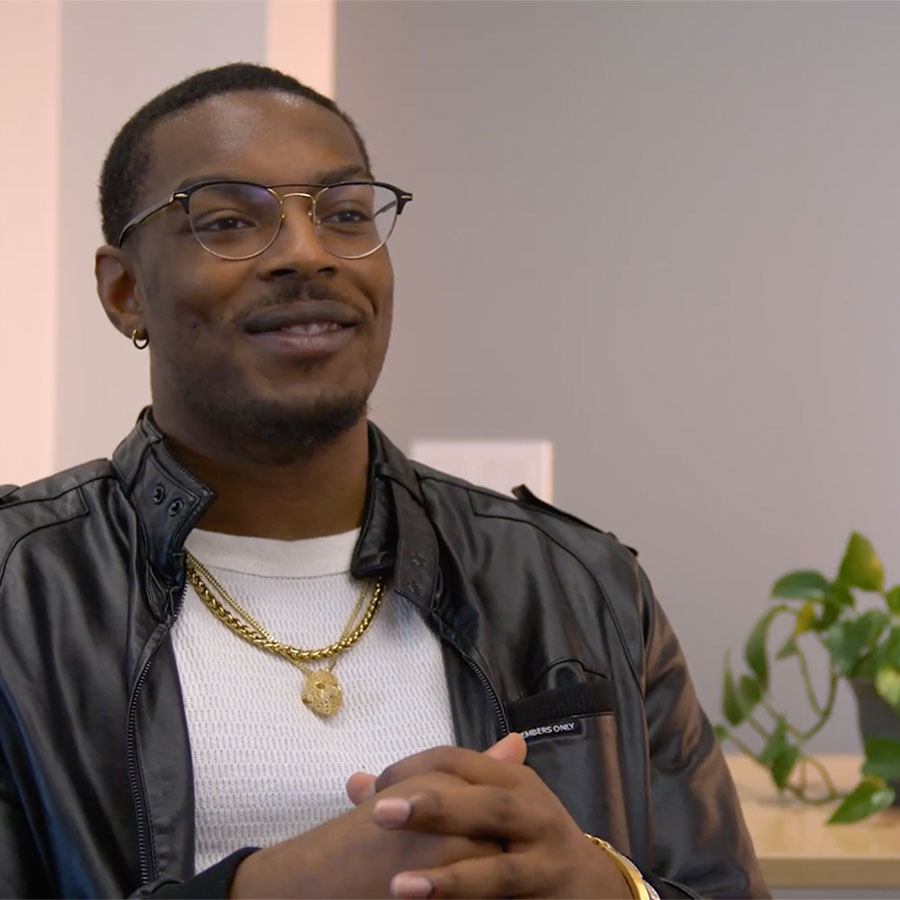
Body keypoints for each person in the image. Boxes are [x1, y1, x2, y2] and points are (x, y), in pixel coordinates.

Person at [0, 62, 767, 899]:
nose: (306, 252)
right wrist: (263, 890)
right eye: (226, 221)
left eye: (346, 214)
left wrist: (609, 888)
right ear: (123, 291)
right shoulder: (19, 592)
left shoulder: (581, 584)